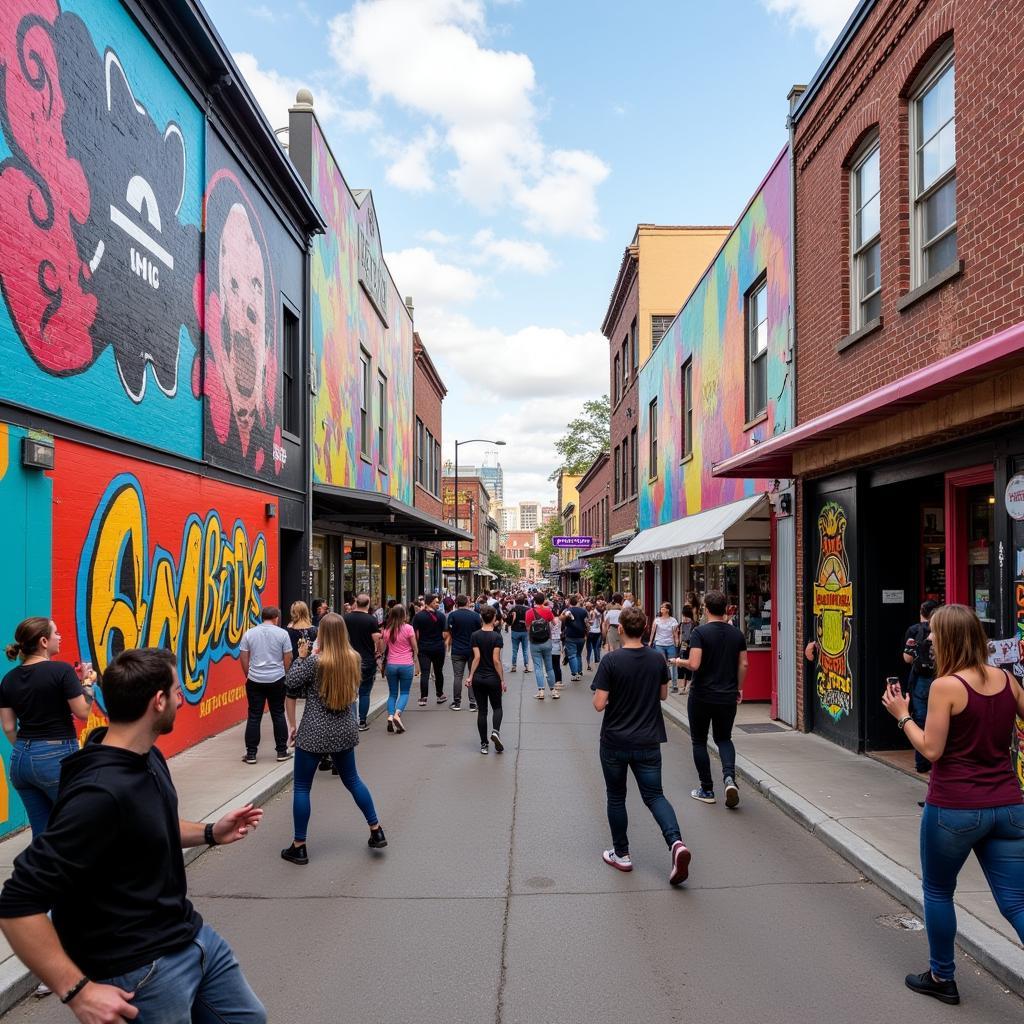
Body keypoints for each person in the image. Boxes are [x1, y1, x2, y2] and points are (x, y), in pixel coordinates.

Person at [0, 647, 266, 1021]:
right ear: (158, 702)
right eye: (176, 690)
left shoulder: (146, 756)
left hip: (191, 937)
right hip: (141, 969)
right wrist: (77, 991)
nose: (181, 697)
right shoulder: (98, 792)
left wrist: (209, 832)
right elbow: (17, 903)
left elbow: (153, 826)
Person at [882, 604, 1024, 1006]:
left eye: (934, 635)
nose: (929, 640)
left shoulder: (947, 686)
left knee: (940, 891)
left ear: (950, 639)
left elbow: (932, 749)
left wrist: (902, 715)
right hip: (1009, 806)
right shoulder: (1006, 679)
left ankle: (942, 977)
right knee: (1016, 901)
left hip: (955, 809)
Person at [592, 606, 690, 885]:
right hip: (648, 739)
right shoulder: (657, 659)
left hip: (615, 740)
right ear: (646, 629)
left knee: (616, 796)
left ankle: (621, 854)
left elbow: (599, 704)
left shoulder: (611, 662)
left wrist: (616, 697)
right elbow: (662, 695)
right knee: (655, 796)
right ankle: (676, 843)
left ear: (620, 629)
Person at [282, 614, 386, 865]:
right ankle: (376, 829)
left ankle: (299, 845)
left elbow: (291, 682)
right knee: (353, 780)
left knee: (302, 787)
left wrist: (303, 656)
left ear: (322, 636)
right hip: (344, 728)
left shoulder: (315, 662)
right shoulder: (354, 659)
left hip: (315, 729)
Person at [1, 619, 93, 838]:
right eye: (56, 633)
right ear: (43, 641)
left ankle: (42, 871)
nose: (60, 637)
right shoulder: (61, 671)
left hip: (21, 762)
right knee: (77, 827)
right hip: (55, 757)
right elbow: (82, 711)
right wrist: (88, 683)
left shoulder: (8, 679)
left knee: (42, 834)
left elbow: (8, 726)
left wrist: (27, 749)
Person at [674, 590, 746, 808]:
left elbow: (694, 664)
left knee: (699, 741)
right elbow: (744, 664)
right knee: (724, 738)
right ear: (726, 609)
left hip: (702, 695)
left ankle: (706, 789)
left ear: (706, 609)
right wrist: (738, 688)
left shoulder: (700, 632)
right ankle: (729, 778)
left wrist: (679, 661)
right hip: (727, 695)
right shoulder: (737, 634)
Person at [239, 606, 293, 764]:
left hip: (255, 679)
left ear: (262, 617)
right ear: (276, 617)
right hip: (276, 678)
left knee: (254, 716)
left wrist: (247, 674)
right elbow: (288, 656)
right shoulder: (282, 634)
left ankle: (251, 754)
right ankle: (281, 751)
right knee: (278, 713)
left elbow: (243, 656)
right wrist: (284, 673)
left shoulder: (249, 633)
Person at [903, 600, 939, 773]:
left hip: (921, 680)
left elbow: (907, 658)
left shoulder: (914, 630)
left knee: (921, 720)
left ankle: (922, 763)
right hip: (941, 677)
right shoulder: (944, 630)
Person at [466, 606, 506, 755]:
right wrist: (502, 679)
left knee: (482, 711)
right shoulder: (497, 637)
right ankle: (495, 731)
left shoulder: (475, 635)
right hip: (492, 678)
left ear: (482, 618)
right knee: (497, 707)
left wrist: (470, 676)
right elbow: (496, 660)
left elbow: (476, 658)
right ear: (494, 618)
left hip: (478, 679)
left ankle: (484, 744)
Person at [344, 594, 382, 731]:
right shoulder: (371, 620)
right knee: (364, 692)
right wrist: (379, 653)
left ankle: (351, 721)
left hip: (348, 659)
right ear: (368, 603)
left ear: (355, 603)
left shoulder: (345, 618)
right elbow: (377, 640)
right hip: (366, 660)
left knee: (350, 692)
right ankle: (362, 721)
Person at [380, 604, 417, 734]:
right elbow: (414, 647)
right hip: (406, 664)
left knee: (392, 693)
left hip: (391, 665)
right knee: (405, 692)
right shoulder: (408, 628)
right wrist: (416, 660)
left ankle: (390, 715)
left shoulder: (386, 630)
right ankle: (397, 714)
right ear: (404, 615)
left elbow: (382, 649)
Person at [447, 595, 482, 711]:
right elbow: (479, 631)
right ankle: (473, 703)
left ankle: (457, 702)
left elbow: (449, 631)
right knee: (472, 675)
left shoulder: (452, 615)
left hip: (457, 649)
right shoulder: (475, 616)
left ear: (456, 603)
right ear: (468, 602)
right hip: (473, 650)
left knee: (458, 676)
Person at [413, 595, 448, 707]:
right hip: (438, 647)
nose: (438, 604)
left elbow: (416, 634)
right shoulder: (441, 616)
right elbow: (445, 633)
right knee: (438, 672)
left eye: (438, 602)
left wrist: (417, 647)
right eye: (436, 602)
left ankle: (423, 697)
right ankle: (440, 694)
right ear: (428, 603)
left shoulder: (418, 617)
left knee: (425, 672)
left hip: (423, 648)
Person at [526, 594, 558, 699]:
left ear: (534, 601)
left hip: (535, 643)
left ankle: (541, 691)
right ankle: (553, 690)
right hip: (547, 641)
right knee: (549, 667)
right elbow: (554, 623)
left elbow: (528, 627)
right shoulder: (548, 610)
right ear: (544, 600)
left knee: (538, 667)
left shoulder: (529, 612)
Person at [649, 603, 680, 693]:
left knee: (673, 664)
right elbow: (652, 632)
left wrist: (677, 642)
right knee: (661, 663)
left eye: (663, 607)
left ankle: (674, 685)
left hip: (670, 644)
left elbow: (675, 633)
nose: (661, 608)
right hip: (659, 643)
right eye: (661, 607)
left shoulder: (673, 620)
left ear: (668, 610)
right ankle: (660, 683)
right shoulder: (657, 620)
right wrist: (650, 642)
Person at [561, 595, 588, 681]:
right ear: (577, 602)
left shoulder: (567, 610)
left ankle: (575, 673)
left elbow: (561, 619)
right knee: (578, 654)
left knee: (572, 655)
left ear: (569, 602)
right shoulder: (583, 611)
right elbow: (587, 623)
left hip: (570, 635)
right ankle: (579, 671)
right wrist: (586, 633)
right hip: (581, 636)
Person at [505, 595, 530, 673]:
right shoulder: (528, 609)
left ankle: (513, 666)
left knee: (514, 649)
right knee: (525, 649)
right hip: (525, 631)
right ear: (523, 602)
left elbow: (508, 619)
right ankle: (526, 666)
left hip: (515, 631)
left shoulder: (513, 609)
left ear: (516, 601)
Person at [677, 604, 696, 695]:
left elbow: (680, 636)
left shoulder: (685, 624)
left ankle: (682, 688)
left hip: (684, 646)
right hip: (689, 646)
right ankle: (686, 688)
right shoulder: (694, 624)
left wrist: (679, 644)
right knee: (687, 666)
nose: (685, 618)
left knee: (682, 666)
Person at [585, 601, 603, 671]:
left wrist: (586, 621)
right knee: (596, 647)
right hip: (598, 631)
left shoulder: (592, 612)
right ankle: (596, 662)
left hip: (591, 631)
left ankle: (589, 664)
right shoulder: (600, 613)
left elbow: (591, 622)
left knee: (589, 648)